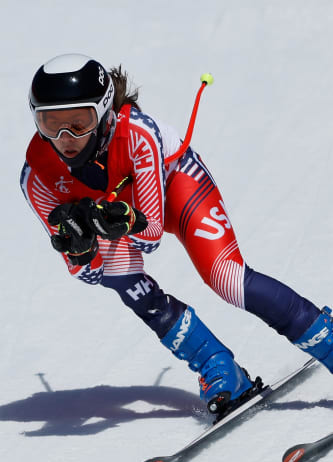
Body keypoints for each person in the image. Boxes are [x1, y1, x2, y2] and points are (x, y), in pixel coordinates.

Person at [20, 53, 333, 417]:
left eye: (79, 121)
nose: (65, 138)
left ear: (104, 110)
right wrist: (82, 249)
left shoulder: (136, 133)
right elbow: (91, 274)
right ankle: (218, 367)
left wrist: (122, 222)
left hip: (177, 189)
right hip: (120, 212)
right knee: (122, 277)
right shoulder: (37, 177)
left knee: (226, 278)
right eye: (50, 123)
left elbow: (152, 235)